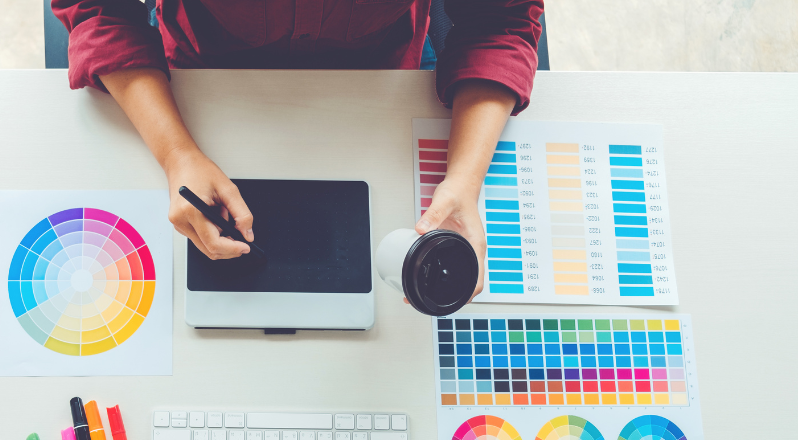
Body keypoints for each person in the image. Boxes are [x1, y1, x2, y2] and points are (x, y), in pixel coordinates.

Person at [53, 0, 543, 299]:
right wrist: (175, 152)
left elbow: (500, 20)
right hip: (197, 84)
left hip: (385, 84)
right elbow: (100, 7)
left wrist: (463, 180)